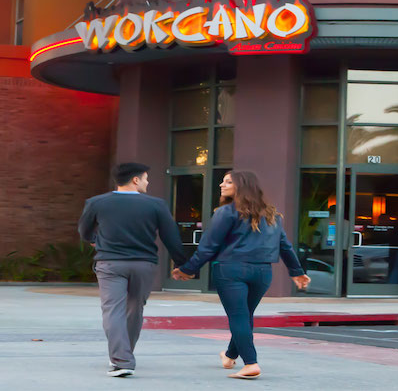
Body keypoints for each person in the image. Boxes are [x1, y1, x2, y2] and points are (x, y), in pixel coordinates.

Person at [172, 170, 311, 380]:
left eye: (228, 181)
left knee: (238, 316)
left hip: (231, 270)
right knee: (244, 316)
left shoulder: (226, 212)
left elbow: (208, 247)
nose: (222, 184)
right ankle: (229, 356)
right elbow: (285, 246)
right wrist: (297, 272)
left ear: (241, 186)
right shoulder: (271, 214)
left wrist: (188, 269)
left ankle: (251, 363)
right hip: (262, 272)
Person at [78, 162, 187, 378]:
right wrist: (183, 264)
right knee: (134, 309)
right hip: (143, 265)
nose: (148, 182)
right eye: (146, 178)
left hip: (110, 264)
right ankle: (123, 356)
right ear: (135, 180)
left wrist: (96, 241)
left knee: (113, 310)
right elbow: (171, 237)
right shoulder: (157, 205)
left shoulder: (97, 202)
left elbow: (84, 230)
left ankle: (121, 359)